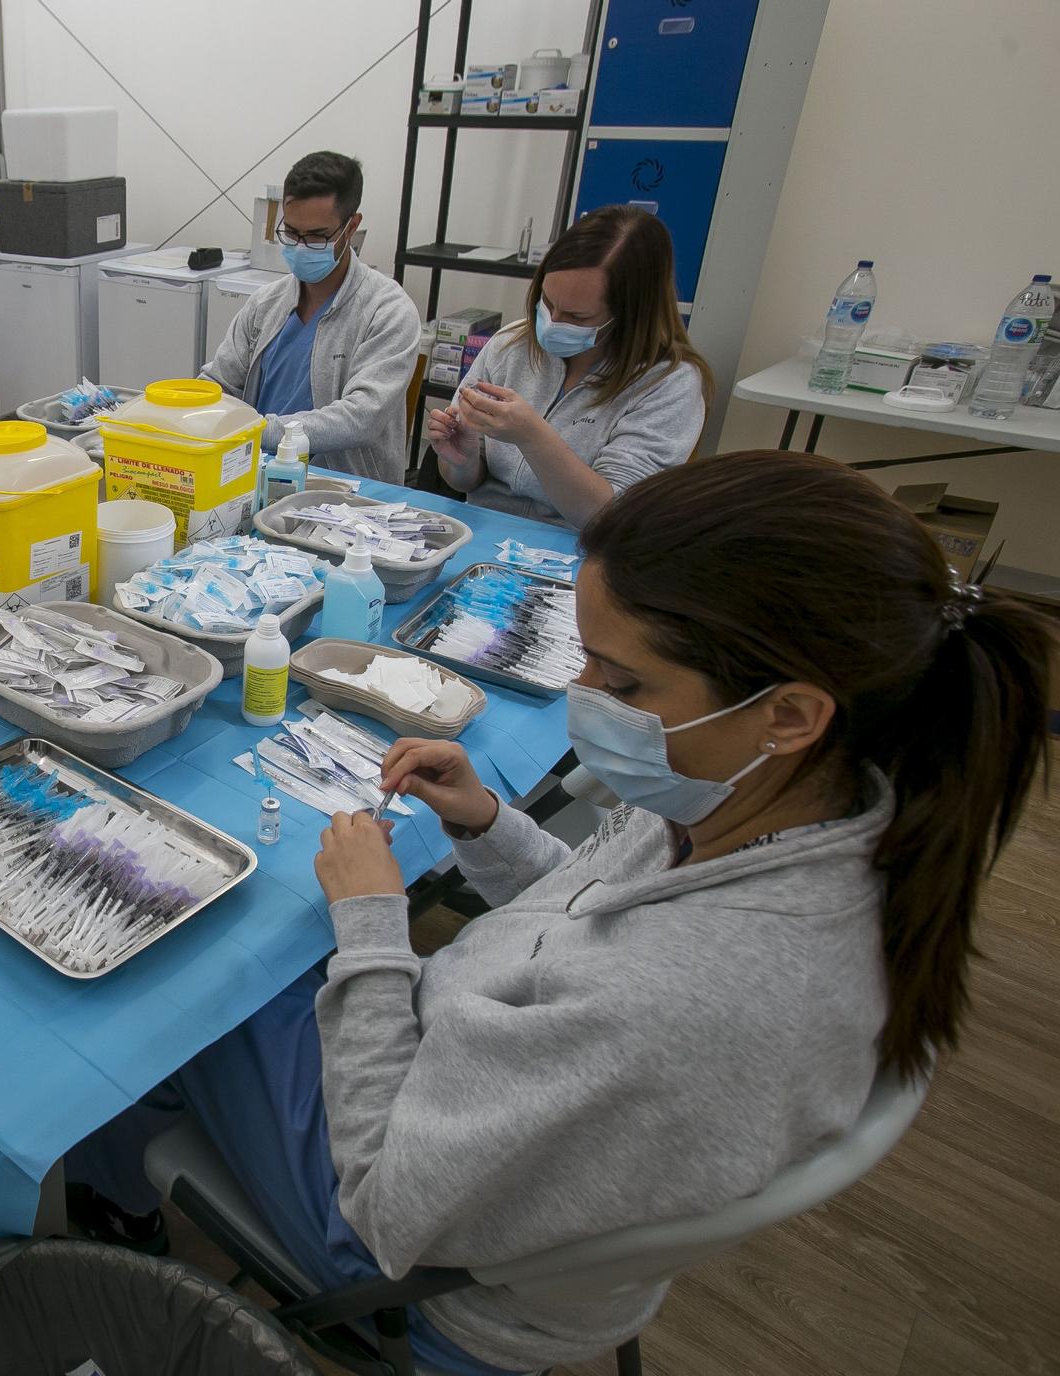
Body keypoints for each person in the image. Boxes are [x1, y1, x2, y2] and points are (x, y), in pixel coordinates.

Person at [79, 452, 1055, 1374]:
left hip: (417, 1264)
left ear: (788, 713)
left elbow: (387, 1201)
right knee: (264, 946)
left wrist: (375, 929)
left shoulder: (694, 990)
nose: (583, 696)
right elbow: (591, 909)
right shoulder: (778, 805)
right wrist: (488, 823)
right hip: (481, 1117)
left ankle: (114, 1213)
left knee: (178, 973)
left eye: (621, 681)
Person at [428, 204, 711, 528]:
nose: (552, 323)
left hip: (582, 553)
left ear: (632, 314)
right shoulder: (510, 346)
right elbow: (464, 483)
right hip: (484, 532)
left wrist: (532, 437)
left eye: (578, 317)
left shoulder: (668, 385)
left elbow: (609, 517)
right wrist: (462, 462)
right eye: (546, 303)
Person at [200, 151, 422, 481]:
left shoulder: (387, 310)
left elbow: (360, 418)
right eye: (291, 233)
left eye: (317, 236)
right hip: (253, 477)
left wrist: (255, 431)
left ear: (352, 227)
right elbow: (220, 384)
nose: (301, 247)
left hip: (347, 498)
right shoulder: (265, 304)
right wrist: (186, 409)